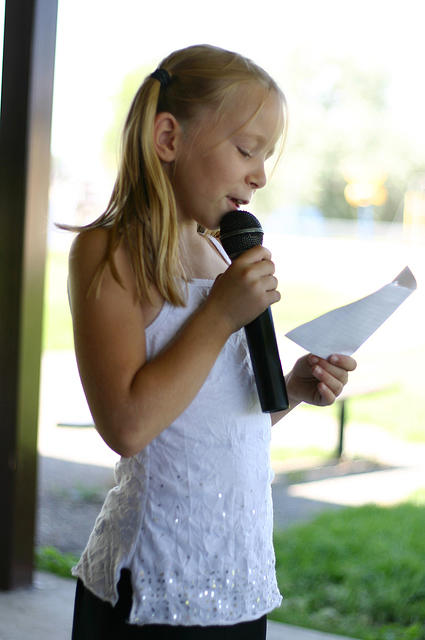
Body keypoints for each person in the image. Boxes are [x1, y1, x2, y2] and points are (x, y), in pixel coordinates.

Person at [67, 44, 356, 639]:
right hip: (151, 583)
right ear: (168, 138)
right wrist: (220, 313)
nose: (260, 173)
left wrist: (293, 388)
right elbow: (127, 426)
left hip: (236, 577)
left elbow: (209, 421)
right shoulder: (110, 252)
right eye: (246, 149)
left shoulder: (221, 251)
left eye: (267, 156)